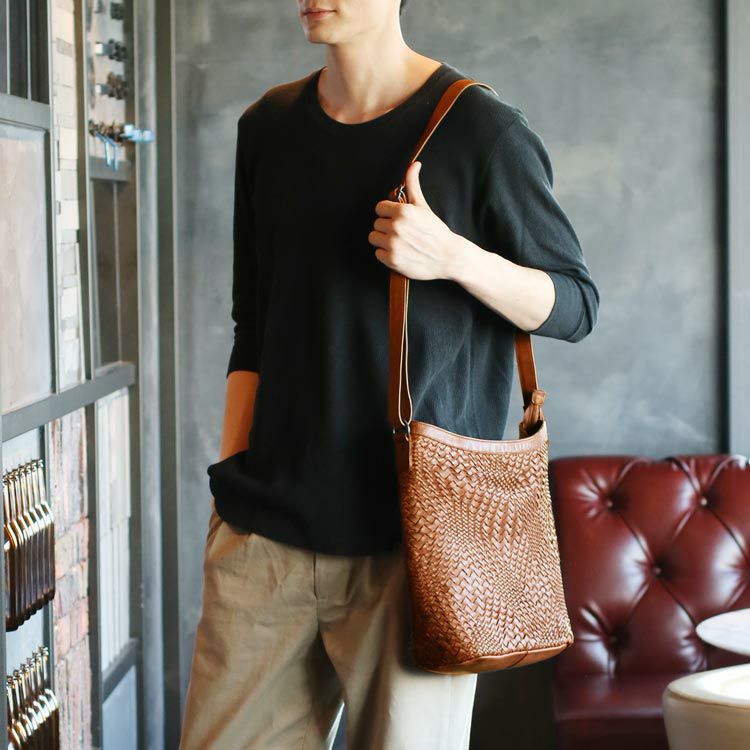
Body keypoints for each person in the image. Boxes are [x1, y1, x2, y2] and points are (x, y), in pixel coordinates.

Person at [179, 0, 600, 748]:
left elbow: (575, 304)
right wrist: (231, 480)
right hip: (266, 535)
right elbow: (253, 325)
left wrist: (453, 258)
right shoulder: (268, 127)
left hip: (417, 548)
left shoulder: (480, 129)